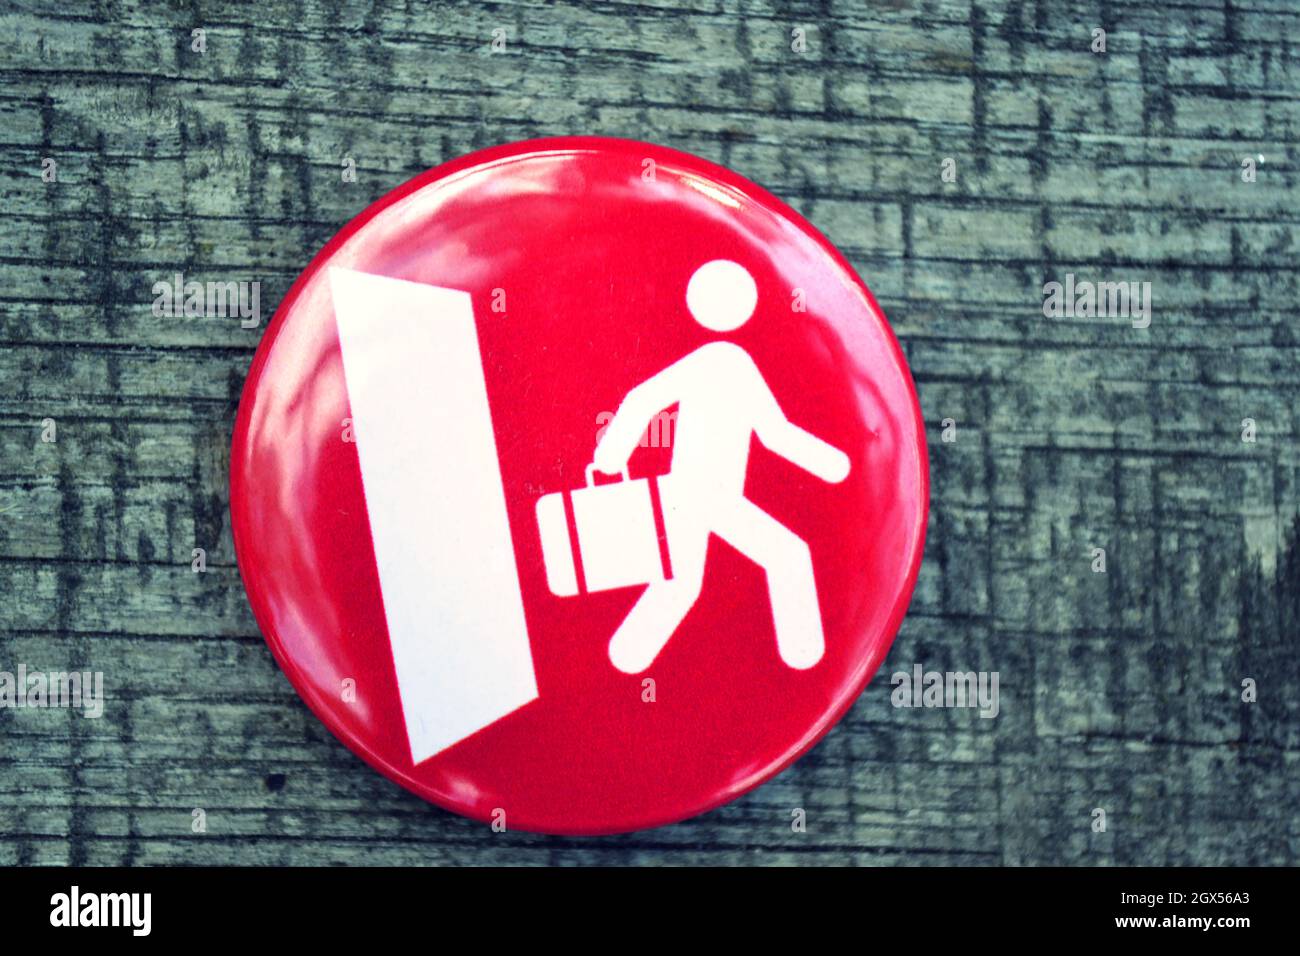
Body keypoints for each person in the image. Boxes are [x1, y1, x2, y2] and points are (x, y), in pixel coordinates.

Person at [592, 260, 850, 673]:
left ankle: (624, 661)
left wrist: (830, 464)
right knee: (776, 558)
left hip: (713, 495)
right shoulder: (721, 360)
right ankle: (623, 664)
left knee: (691, 582)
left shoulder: (729, 361)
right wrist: (612, 456)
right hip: (697, 495)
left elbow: (771, 432)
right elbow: (644, 399)